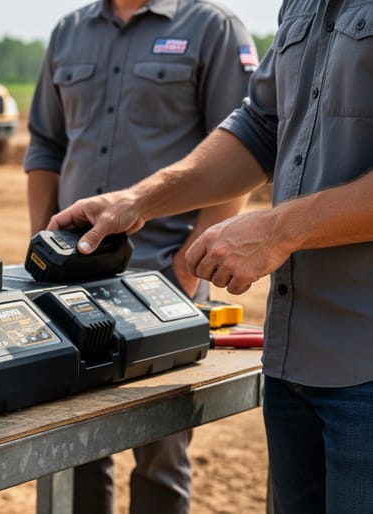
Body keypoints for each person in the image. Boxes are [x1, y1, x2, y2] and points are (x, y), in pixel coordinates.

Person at [47, 0, 373, 512]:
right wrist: (139, 201)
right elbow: (261, 127)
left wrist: (276, 230)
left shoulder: (212, 25)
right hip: (298, 361)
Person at [24, 0, 255, 512]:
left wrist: (192, 257)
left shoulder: (212, 28)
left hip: (161, 278)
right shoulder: (68, 32)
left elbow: (246, 146)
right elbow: (45, 143)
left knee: (160, 448)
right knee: (70, 441)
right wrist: (41, 237)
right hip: (71, 282)